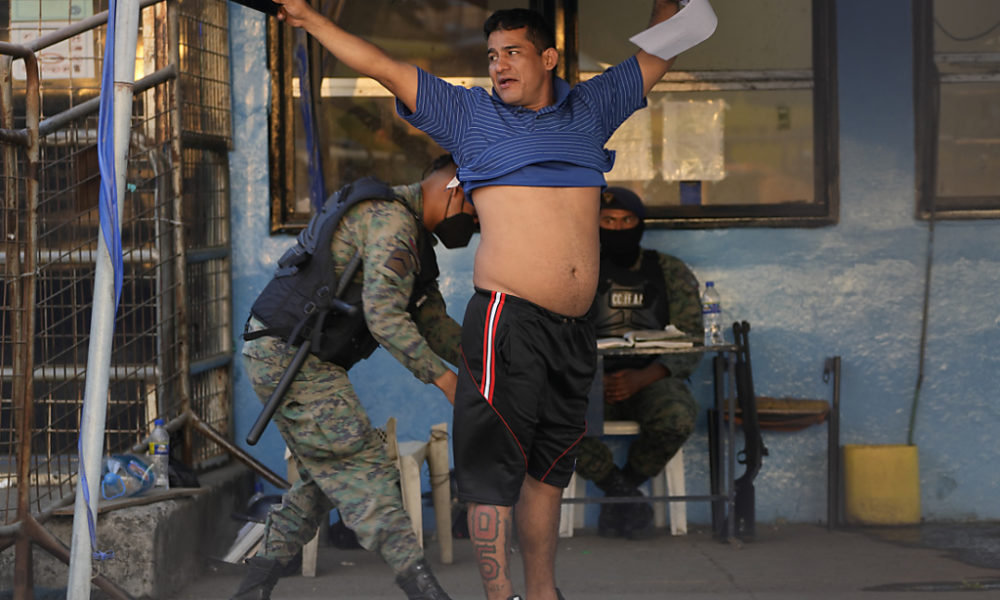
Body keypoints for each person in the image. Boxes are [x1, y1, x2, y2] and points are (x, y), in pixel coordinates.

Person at [272, 2, 692, 598]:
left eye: (513, 53)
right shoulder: (472, 117)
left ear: (548, 57)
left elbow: (661, 49)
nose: (499, 66)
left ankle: (540, 593)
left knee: (549, 471)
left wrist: (670, 4)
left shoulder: (590, 108)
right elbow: (383, 66)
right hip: (508, 320)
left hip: (574, 329)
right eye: (492, 56)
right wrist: (311, 18)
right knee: (494, 473)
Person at [232, 155, 476, 600]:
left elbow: (432, 322)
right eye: (475, 212)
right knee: (364, 470)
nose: (475, 225)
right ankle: (425, 590)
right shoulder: (392, 223)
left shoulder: (411, 234)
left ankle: (253, 588)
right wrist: (446, 381)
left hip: (291, 357)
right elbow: (384, 318)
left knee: (321, 485)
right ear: (455, 190)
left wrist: (487, 364)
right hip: (290, 359)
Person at [576, 187, 704, 540]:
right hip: (589, 383)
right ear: (594, 224)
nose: (618, 228)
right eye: (608, 221)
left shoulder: (669, 271)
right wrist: (592, 377)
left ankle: (622, 492)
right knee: (548, 417)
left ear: (640, 224)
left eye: (627, 220)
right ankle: (621, 491)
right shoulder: (576, 270)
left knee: (678, 416)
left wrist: (644, 376)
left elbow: (693, 338)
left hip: (652, 381)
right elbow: (556, 335)